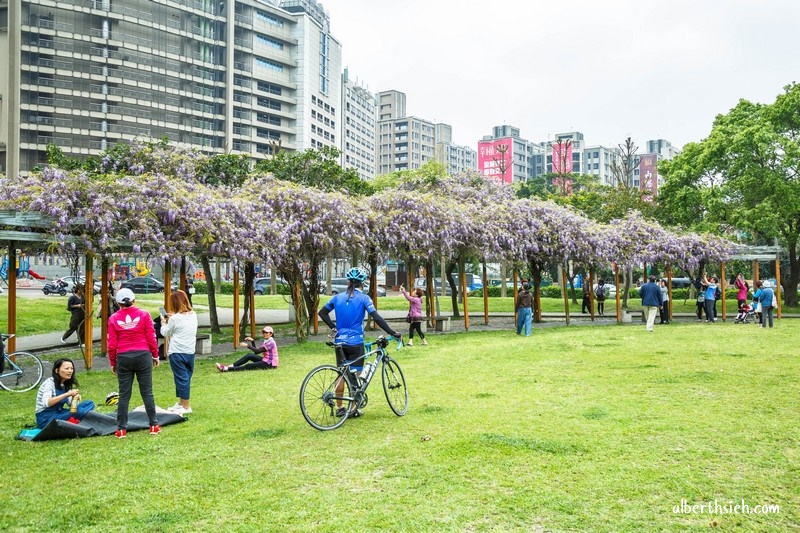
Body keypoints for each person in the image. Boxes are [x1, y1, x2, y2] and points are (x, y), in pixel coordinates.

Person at [318, 267, 401, 418]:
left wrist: (333, 327)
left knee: (341, 373)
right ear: (362, 283)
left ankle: (340, 407)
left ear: (348, 282)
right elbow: (376, 317)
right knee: (356, 373)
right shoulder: (364, 298)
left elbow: (322, 312)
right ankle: (353, 408)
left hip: (340, 342)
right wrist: (392, 332)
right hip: (356, 342)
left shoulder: (337, 298)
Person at [108, 288, 160, 438]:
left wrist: (113, 362)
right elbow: (151, 336)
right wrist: (155, 355)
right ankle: (154, 425)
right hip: (143, 355)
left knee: (124, 393)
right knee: (147, 392)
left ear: (118, 303)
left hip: (123, 357)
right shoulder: (144, 315)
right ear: (134, 300)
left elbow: (112, 344)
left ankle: (121, 429)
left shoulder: (113, 319)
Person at [160, 290, 198, 415]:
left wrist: (163, 322)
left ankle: (186, 406)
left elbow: (165, 332)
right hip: (190, 351)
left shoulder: (175, 319)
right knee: (185, 377)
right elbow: (183, 322)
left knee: (181, 378)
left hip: (177, 351)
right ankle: (181, 402)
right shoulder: (193, 315)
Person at [35, 358, 95, 429]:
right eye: (67, 369)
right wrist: (67, 394)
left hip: (59, 413)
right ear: (57, 370)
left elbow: (71, 405)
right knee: (80, 411)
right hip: (46, 418)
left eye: (71, 368)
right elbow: (47, 403)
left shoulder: (65, 383)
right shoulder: (49, 383)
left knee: (89, 403)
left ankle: (76, 418)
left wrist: (74, 398)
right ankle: (79, 417)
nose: (70, 371)